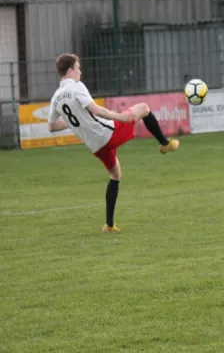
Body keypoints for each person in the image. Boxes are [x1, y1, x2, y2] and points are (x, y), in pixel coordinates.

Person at [48, 53, 180, 233]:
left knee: (115, 175)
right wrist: (120, 117)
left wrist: (73, 121)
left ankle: (109, 225)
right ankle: (164, 144)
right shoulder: (76, 87)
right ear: (70, 70)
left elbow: (52, 127)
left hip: (95, 146)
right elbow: (95, 109)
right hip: (107, 133)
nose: (80, 72)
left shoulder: (56, 97)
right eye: (78, 68)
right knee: (143, 108)